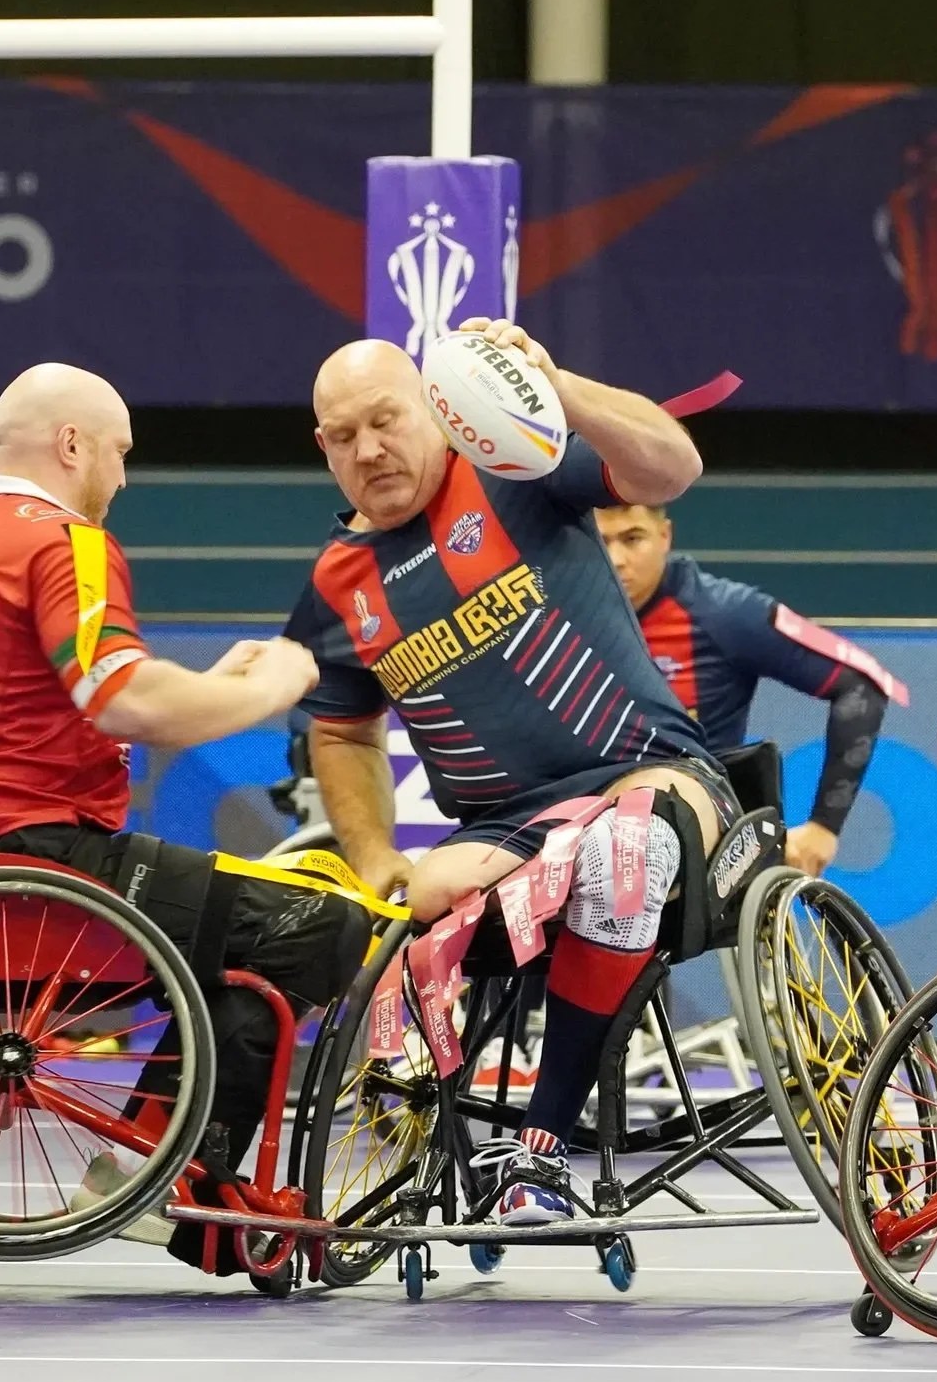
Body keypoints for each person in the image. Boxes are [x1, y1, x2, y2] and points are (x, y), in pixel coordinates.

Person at [0, 361, 363, 1268]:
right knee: (317, 924)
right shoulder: (60, 540)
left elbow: (28, 700)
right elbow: (121, 700)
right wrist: (271, 689)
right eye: (118, 453)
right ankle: (168, 1179)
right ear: (73, 445)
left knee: (234, 941)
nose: (123, 477)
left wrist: (212, 680)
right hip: (45, 870)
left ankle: (156, 1160)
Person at [283, 320, 730, 1225]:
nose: (369, 448)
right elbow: (341, 733)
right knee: (415, 899)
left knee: (623, 851)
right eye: (343, 435)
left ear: (434, 409)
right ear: (322, 448)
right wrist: (375, 859)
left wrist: (554, 386)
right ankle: (420, 1146)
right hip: (504, 826)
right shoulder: (334, 585)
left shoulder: (514, 468)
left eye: (386, 418)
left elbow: (670, 467)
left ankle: (541, 1146)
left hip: (647, 771)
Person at [595, 501, 904, 876]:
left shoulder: (724, 613)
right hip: (584, 829)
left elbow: (864, 683)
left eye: (633, 539)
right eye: (600, 540)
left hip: (699, 847)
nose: (616, 559)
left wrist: (824, 827)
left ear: (665, 536)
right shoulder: (556, 613)